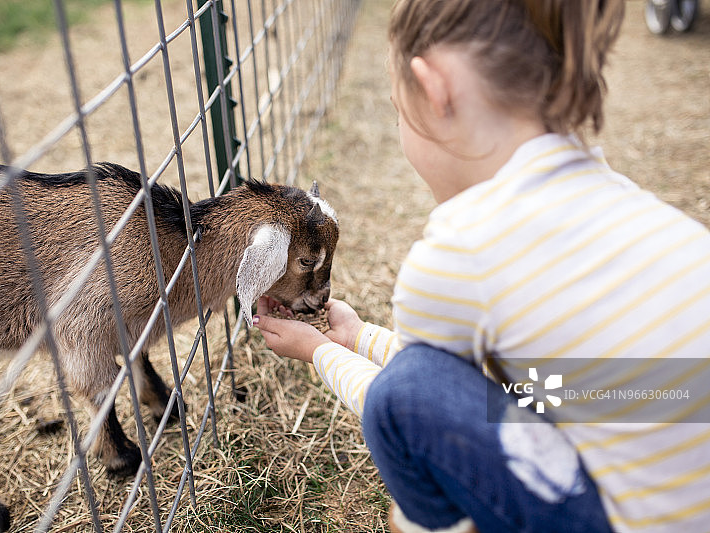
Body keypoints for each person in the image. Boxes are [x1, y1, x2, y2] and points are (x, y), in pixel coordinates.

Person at [253, 1, 710, 532]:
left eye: (400, 113)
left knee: (401, 399)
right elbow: (514, 386)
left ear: (433, 89)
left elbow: (414, 393)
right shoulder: (631, 207)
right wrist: (357, 336)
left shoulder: (462, 249)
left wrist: (320, 352)